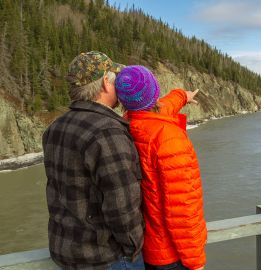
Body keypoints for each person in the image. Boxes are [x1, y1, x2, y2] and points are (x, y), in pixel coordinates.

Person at [42, 52, 145, 270]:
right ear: (106, 83)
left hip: (65, 253)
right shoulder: (107, 132)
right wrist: (134, 249)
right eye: (114, 79)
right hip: (105, 258)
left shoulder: (55, 127)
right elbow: (122, 207)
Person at [115, 65, 207, 270]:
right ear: (154, 94)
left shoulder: (128, 124)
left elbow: (164, 106)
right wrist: (195, 261)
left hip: (147, 249)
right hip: (172, 256)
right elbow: (182, 206)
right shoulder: (168, 138)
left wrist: (183, 95)